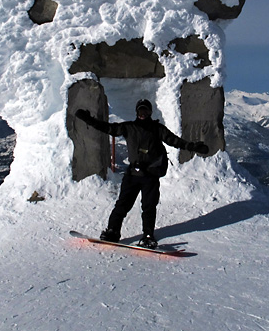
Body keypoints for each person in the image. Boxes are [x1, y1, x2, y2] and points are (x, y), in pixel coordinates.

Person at [75, 99, 209, 249]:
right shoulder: (128, 127)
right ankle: (112, 231)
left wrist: (193, 146)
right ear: (137, 112)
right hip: (132, 174)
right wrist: (88, 119)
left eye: (145, 111)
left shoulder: (157, 129)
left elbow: (175, 141)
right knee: (122, 205)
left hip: (150, 176)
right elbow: (107, 128)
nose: (143, 114)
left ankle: (148, 236)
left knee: (149, 207)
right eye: (140, 111)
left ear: (150, 112)